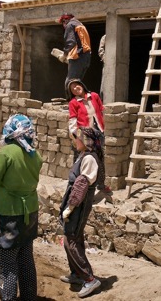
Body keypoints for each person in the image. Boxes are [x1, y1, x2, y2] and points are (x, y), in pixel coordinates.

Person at [0, 114, 43, 301]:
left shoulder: (6, 153)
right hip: (30, 214)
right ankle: (29, 297)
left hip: (8, 214)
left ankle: (8, 298)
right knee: (26, 258)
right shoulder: (35, 155)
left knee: (6, 262)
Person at [59, 126, 102, 298]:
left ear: (86, 141)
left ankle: (89, 278)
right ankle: (76, 274)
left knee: (71, 240)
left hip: (80, 206)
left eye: (77, 138)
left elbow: (82, 184)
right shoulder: (83, 156)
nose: (74, 140)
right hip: (76, 204)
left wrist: (71, 206)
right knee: (73, 237)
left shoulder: (90, 159)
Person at [66, 78, 112, 195]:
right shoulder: (73, 103)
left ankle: (101, 185)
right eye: (72, 89)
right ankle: (77, 184)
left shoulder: (95, 96)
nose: (76, 89)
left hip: (98, 132)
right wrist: (76, 136)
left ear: (82, 85)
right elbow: (72, 119)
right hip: (84, 135)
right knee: (82, 159)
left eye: (77, 85)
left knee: (100, 158)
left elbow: (101, 110)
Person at [58, 13, 92, 95]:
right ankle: (78, 102)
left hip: (78, 56)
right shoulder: (80, 25)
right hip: (86, 57)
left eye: (63, 23)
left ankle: (70, 102)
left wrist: (64, 55)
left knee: (70, 81)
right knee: (77, 82)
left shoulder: (70, 25)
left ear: (65, 20)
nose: (63, 25)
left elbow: (71, 42)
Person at [98, 34, 106, 100]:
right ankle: (102, 101)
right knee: (104, 86)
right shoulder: (105, 37)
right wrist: (105, 59)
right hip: (107, 64)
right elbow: (101, 50)